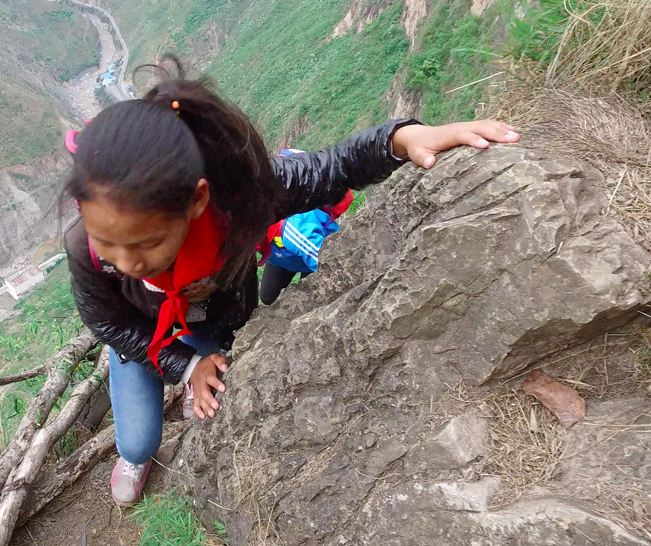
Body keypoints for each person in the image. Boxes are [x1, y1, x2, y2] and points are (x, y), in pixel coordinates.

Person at [63, 59, 519, 506]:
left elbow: (333, 168)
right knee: (140, 441)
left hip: (215, 319)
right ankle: (136, 453)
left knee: (215, 385)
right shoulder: (83, 244)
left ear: (197, 200)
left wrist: (402, 139)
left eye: (147, 243)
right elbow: (106, 320)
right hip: (142, 332)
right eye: (108, 243)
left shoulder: (241, 199)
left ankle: (197, 374)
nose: (125, 263)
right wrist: (184, 367)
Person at [257, 151, 355, 305]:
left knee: (313, 297)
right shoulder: (249, 227)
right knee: (267, 297)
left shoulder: (295, 232)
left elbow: (330, 264)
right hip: (278, 254)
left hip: (308, 253)